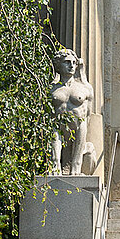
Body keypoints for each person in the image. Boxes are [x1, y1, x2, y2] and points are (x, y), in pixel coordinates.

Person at [50, 48, 94, 176]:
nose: (71, 66)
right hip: (56, 127)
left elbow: (88, 115)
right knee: (54, 130)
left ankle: (76, 167)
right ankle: (55, 165)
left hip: (79, 125)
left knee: (82, 127)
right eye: (67, 62)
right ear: (58, 65)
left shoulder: (85, 87)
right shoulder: (52, 88)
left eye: (74, 63)